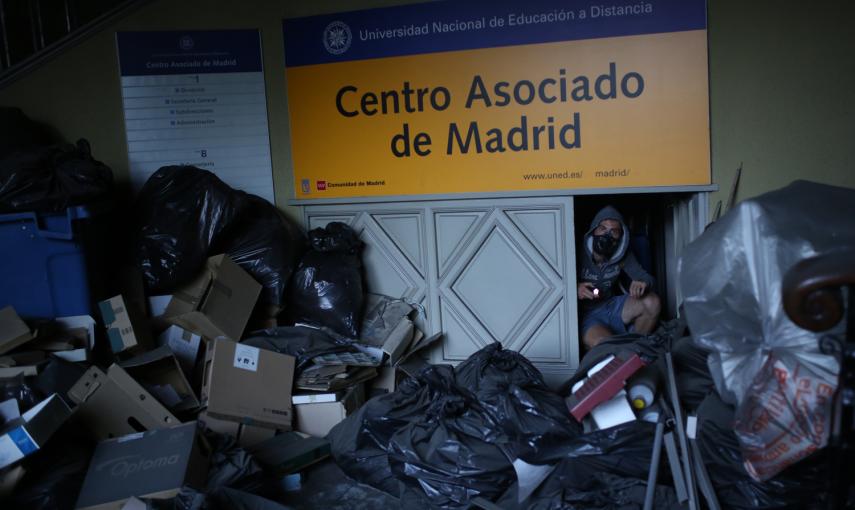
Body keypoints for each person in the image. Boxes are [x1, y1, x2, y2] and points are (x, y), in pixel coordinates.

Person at [577, 205, 661, 348]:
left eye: (613, 231)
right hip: (587, 315)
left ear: (621, 236)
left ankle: (635, 349)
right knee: (608, 345)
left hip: (611, 306)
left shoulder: (622, 254)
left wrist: (643, 283)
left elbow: (647, 278)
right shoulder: (577, 251)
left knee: (652, 302)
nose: (606, 236)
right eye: (602, 229)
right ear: (594, 230)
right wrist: (575, 288)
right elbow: (555, 284)